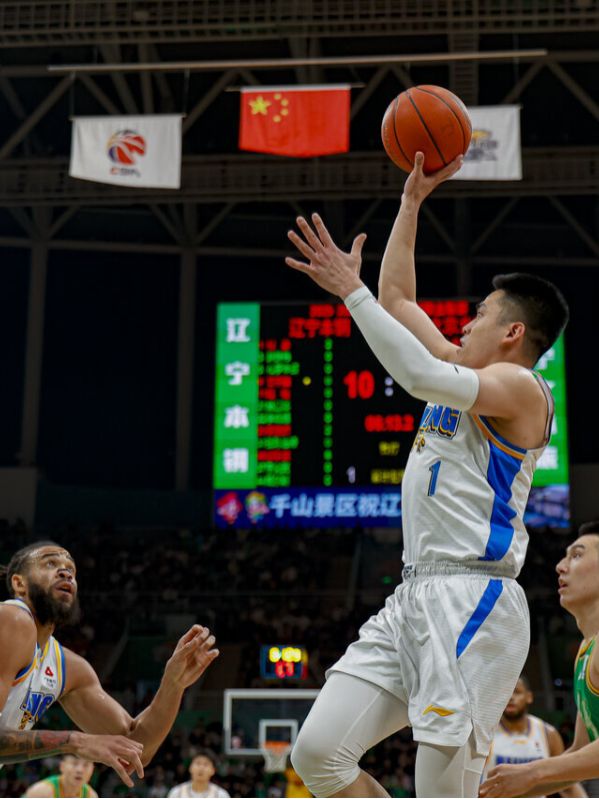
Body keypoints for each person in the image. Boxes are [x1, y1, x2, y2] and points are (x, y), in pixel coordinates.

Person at [285, 151, 569, 798]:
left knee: (440, 790)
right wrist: (410, 203)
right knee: (318, 752)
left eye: (480, 314)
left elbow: (415, 373)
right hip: (414, 593)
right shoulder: (462, 371)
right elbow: (397, 301)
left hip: (474, 598)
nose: (464, 322)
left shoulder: (522, 389)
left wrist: (348, 292)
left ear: (512, 331)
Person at [0, 542, 219, 788]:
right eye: (50, 563)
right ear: (19, 583)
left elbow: (136, 747)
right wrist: (75, 741)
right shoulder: (11, 618)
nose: (65, 573)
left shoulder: (68, 667)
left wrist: (173, 684)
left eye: (71, 569)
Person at [481, 522, 599, 797]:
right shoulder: (586, 651)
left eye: (577, 555)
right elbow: (581, 753)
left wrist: (534, 771)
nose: (560, 566)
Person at [482, 674, 586, 797]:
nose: (510, 697)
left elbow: (566, 781)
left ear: (529, 697)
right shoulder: (485, 733)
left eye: (516, 692)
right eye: (505, 692)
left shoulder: (548, 733)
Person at [21, 754, 97, 797]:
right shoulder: (41, 791)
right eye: (74, 764)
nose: (80, 770)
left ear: (92, 770)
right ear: (62, 766)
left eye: (86, 765)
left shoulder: (91, 795)